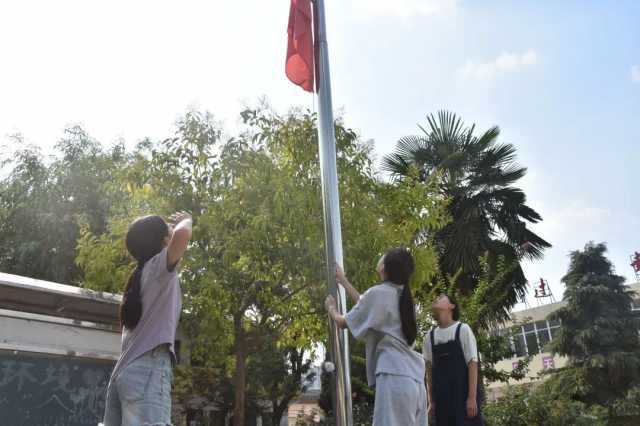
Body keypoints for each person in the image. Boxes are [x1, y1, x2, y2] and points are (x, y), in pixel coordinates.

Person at [102, 212, 192, 426]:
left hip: (122, 375)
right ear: (163, 241)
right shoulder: (158, 268)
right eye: (167, 230)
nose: (172, 231)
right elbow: (183, 234)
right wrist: (186, 219)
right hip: (147, 370)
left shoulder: (138, 279)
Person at [325, 247, 426, 426]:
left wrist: (331, 308)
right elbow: (366, 307)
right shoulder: (403, 296)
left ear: (385, 267)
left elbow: (343, 322)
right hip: (415, 381)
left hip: (394, 377)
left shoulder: (379, 293)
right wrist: (344, 281)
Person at [423, 294, 483, 426]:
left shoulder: (463, 329)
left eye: (441, 297)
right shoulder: (429, 337)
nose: (436, 297)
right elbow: (429, 371)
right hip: (442, 401)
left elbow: (472, 363)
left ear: (452, 306)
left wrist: (472, 398)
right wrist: (431, 401)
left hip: (463, 399)